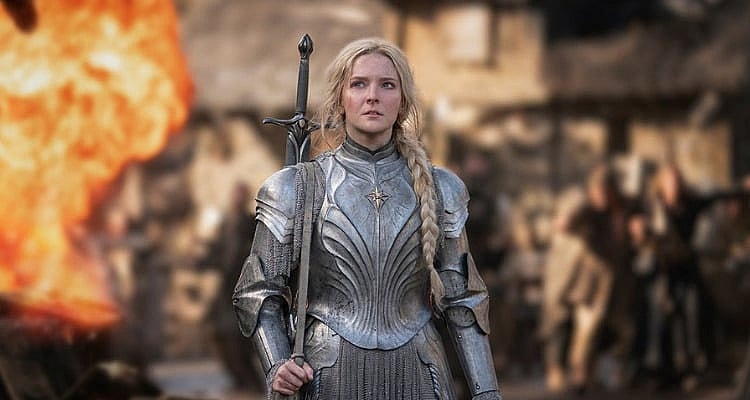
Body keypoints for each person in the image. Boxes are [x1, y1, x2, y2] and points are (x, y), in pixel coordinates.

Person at [232, 37, 502, 399]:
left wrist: (487, 393)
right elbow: (258, 290)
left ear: (402, 101)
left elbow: (464, 301)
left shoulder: (441, 188)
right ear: (340, 99)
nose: (372, 96)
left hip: (420, 371)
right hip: (328, 372)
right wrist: (278, 363)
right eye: (359, 84)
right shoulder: (297, 187)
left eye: (386, 85)